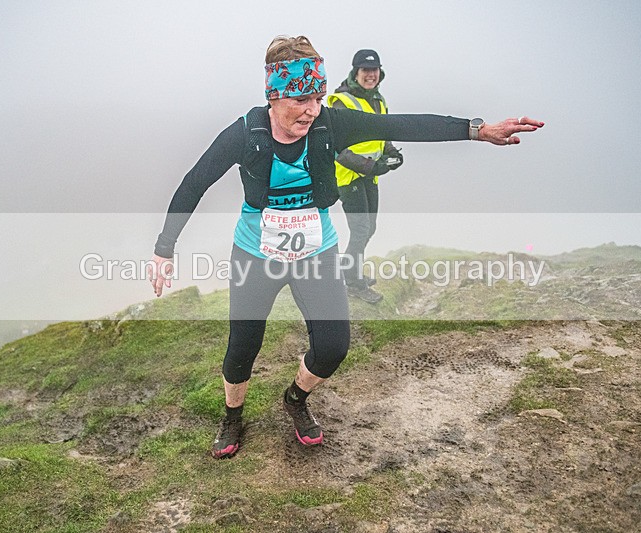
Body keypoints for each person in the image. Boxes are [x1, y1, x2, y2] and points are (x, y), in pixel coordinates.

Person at [148, 35, 544, 459]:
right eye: (300, 99)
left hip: (316, 252)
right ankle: (232, 415)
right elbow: (195, 182)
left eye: (317, 96)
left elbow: (402, 125)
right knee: (243, 345)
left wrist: (477, 130)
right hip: (256, 253)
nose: (312, 109)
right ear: (274, 96)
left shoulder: (329, 123)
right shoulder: (245, 133)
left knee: (334, 346)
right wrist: (164, 248)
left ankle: (295, 399)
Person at [328, 49, 402, 304]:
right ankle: (354, 283)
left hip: (370, 176)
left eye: (374, 70)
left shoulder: (379, 100)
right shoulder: (340, 101)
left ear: (380, 73)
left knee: (369, 228)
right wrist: (371, 167)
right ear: (355, 73)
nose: (370, 75)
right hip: (350, 178)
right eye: (365, 71)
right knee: (360, 230)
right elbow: (337, 148)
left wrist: (392, 153)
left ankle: (350, 271)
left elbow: (383, 134)